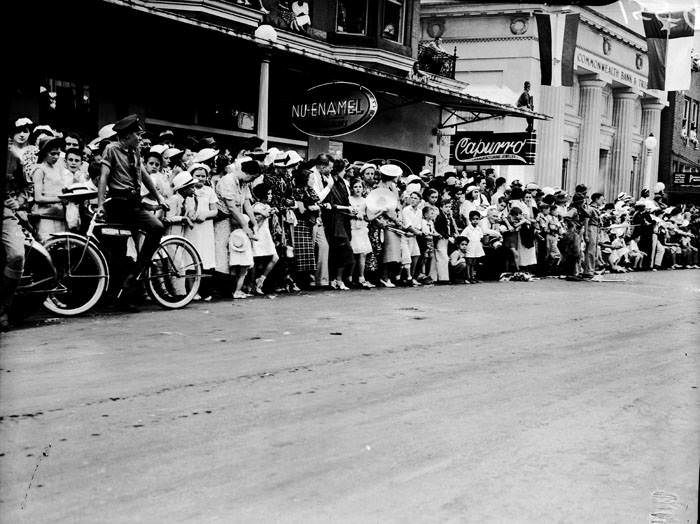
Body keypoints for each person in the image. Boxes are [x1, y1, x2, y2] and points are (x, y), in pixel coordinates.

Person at [97, 115, 168, 309]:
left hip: (134, 202)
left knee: (125, 251)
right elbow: (103, 177)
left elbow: (144, 176)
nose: (140, 138)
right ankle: (136, 272)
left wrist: (159, 198)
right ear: (127, 135)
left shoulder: (135, 151)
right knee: (156, 228)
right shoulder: (111, 149)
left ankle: (125, 288)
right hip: (120, 202)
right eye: (137, 134)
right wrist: (100, 204)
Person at [1, 148, 29, 331]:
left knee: (17, 255)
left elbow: (25, 188)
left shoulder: (13, 158)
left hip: (5, 216)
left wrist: (18, 202)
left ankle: (3, 307)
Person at [322, 159, 355, 290]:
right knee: (341, 250)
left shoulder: (343, 183)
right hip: (334, 221)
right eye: (344, 169)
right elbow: (331, 204)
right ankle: (335, 279)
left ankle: (338, 279)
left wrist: (350, 209)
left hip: (344, 220)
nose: (345, 172)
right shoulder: (330, 183)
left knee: (341, 251)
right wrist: (347, 208)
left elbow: (347, 201)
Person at [31, 136, 71, 241]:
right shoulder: (39, 170)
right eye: (53, 153)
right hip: (46, 217)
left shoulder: (59, 168)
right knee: (47, 245)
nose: (56, 157)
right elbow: (38, 198)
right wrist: (59, 199)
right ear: (44, 153)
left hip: (60, 215)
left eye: (58, 154)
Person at [250, 183, 279, 295]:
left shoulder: (266, 207)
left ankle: (261, 279)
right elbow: (256, 222)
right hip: (259, 234)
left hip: (266, 234)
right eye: (269, 194)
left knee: (274, 257)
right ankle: (253, 284)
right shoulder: (257, 207)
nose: (271, 196)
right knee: (255, 260)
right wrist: (265, 214)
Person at [348, 178, 373, 288]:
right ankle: (349, 277)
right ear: (352, 188)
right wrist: (354, 215)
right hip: (352, 228)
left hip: (362, 228)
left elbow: (369, 216)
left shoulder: (365, 201)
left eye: (360, 187)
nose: (358, 189)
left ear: (363, 189)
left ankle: (361, 277)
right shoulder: (349, 199)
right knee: (353, 253)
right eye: (355, 187)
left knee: (363, 253)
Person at [401, 191, 424, 286]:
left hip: (413, 237)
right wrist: (416, 232)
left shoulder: (419, 211)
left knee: (416, 255)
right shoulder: (406, 210)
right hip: (405, 236)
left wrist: (417, 232)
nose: (413, 200)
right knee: (406, 257)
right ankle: (408, 277)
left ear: (419, 201)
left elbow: (418, 225)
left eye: (415, 198)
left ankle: (412, 276)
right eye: (412, 197)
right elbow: (407, 225)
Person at [434, 197, 458, 284]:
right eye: (446, 207)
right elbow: (440, 229)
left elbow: (450, 227)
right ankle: (442, 278)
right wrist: (448, 236)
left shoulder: (448, 217)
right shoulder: (440, 217)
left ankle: (447, 277)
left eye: (449, 207)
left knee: (447, 257)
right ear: (441, 207)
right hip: (442, 239)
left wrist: (453, 234)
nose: (448, 209)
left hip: (447, 239)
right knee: (442, 258)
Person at [582, 192, 604, 279]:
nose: (602, 202)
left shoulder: (596, 209)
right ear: (596, 199)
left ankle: (591, 268)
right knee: (590, 250)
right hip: (591, 228)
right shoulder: (590, 208)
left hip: (596, 228)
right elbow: (586, 221)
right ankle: (588, 270)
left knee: (594, 250)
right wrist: (586, 234)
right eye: (601, 200)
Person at [462, 210, 485, 283]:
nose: (475, 221)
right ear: (470, 220)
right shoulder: (467, 229)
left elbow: (481, 238)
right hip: (470, 247)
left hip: (476, 247)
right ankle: (468, 277)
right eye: (473, 219)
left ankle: (473, 276)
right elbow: (462, 237)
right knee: (469, 263)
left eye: (477, 219)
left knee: (474, 263)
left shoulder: (479, 229)